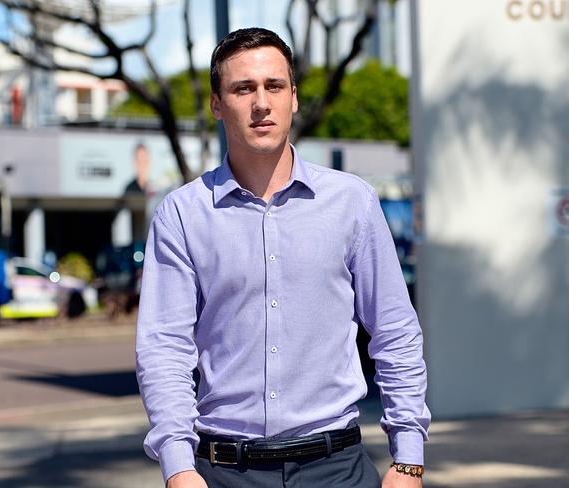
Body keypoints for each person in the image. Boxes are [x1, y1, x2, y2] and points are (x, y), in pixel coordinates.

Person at [136, 27, 430, 488]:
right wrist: (177, 466)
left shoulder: (352, 202)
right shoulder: (181, 215)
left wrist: (408, 457)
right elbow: (164, 349)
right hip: (224, 472)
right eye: (242, 88)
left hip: (337, 469)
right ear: (217, 104)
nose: (261, 102)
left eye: (274, 86)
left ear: (293, 97)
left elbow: (394, 331)